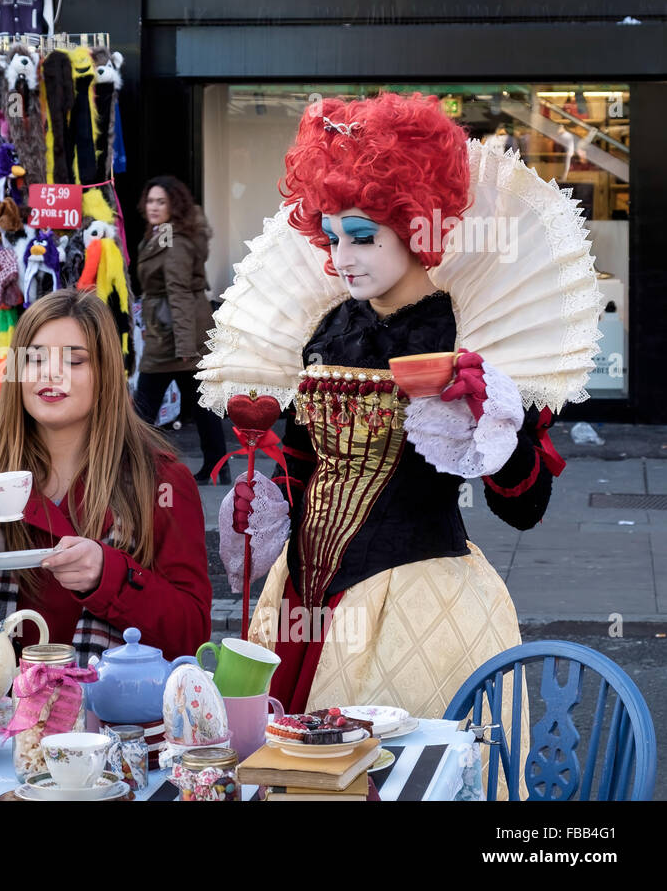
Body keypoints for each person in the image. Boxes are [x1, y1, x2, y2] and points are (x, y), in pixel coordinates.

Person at [198, 93, 595, 726]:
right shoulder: (325, 328)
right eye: (331, 236)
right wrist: (268, 503)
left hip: (418, 597)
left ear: (416, 223)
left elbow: (524, 507)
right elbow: (305, 463)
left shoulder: (471, 335)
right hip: (301, 604)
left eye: (362, 236)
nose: (342, 257)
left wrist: (495, 416)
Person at [0, 288, 212, 663]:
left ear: (106, 373)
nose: (51, 374)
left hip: (110, 716)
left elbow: (191, 636)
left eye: (75, 361)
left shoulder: (159, 481)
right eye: (35, 359)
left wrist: (108, 577)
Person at [131, 175, 228, 484]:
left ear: (175, 205)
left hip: (175, 335)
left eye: (162, 201)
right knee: (201, 404)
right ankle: (217, 468)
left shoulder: (174, 242)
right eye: (150, 200)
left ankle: (130, 467)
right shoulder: (166, 234)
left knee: (143, 406)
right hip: (174, 330)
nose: (154, 207)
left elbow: (180, 293)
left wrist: (186, 347)